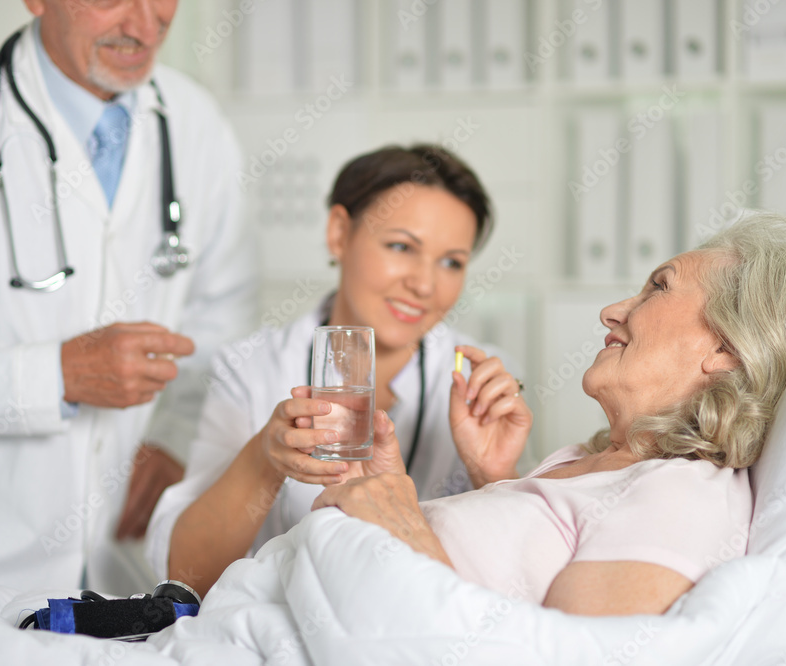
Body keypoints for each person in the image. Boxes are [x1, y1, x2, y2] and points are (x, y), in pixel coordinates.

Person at [0, 0, 255, 595]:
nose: (145, 27)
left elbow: (223, 325)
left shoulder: (197, 126)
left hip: (123, 557)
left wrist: (172, 439)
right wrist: (54, 374)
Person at [311, 213, 786, 615]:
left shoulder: (679, 496)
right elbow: (511, 588)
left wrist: (401, 522)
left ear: (725, 349)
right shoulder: (596, 462)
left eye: (658, 287)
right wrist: (490, 479)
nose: (611, 311)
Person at [146, 145, 529, 596]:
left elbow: (521, 581)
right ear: (339, 233)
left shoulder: (479, 378)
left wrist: (491, 475)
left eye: (451, 262)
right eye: (401, 246)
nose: (425, 284)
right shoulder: (251, 367)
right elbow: (186, 576)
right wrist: (264, 458)